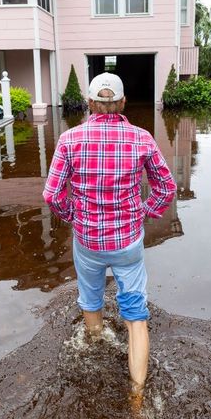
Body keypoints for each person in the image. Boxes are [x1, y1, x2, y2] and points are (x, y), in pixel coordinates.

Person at [42, 72, 177, 394]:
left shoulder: (69, 140)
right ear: (123, 102)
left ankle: (95, 356)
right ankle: (138, 396)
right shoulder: (142, 138)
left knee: (91, 300)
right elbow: (167, 188)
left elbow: (52, 194)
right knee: (136, 316)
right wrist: (144, 213)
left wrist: (73, 216)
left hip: (87, 240)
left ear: (89, 102)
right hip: (127, 242)